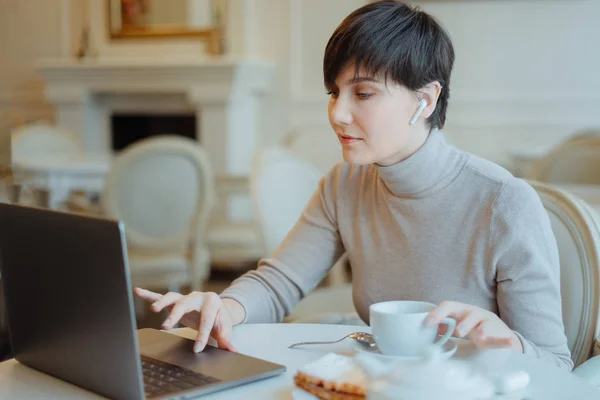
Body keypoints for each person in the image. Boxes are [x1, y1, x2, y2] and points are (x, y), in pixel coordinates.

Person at [134, 0, 572, 370]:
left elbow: (555, 364)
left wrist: (507, 342)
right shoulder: (344, 183)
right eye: (333, 92)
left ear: (426, 100)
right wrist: (223, 308)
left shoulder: (504, 203)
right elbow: (277, 283)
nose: (338, 114)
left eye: (362, 93)